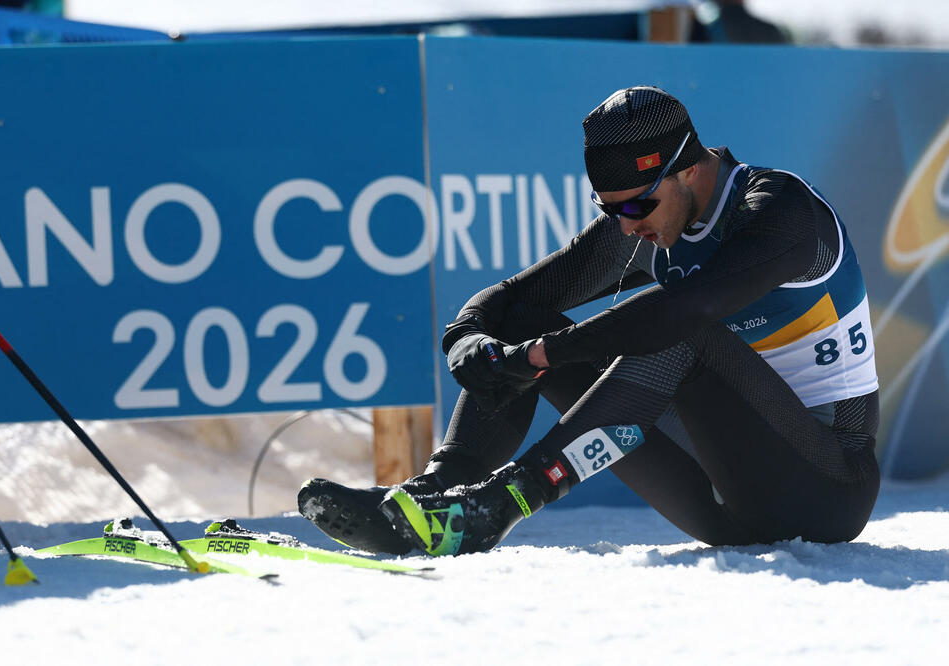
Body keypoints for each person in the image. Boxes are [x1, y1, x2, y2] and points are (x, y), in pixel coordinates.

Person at [298, 86, 879, 557]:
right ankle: (434, 498)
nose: (625, 227)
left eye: (635, 208)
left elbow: (684, 312)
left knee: (677, 329)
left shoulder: (781, 210)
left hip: (826, 489)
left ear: (689, 171)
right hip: (720, 501)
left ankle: (499, 506)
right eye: (609, 210)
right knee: (519, 327)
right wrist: (469, 339)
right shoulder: (650, 217)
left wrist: (540, 357)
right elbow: (503, 303)